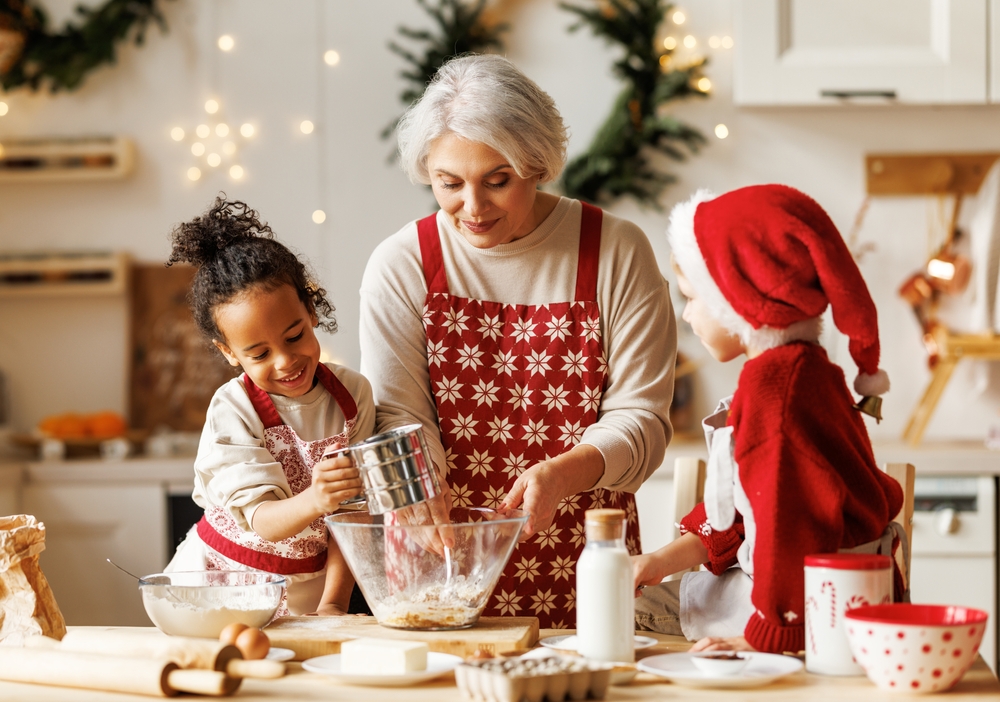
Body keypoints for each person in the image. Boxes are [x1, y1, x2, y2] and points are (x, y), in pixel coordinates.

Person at [359, 54, 677, 628]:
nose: (472, 209)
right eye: (449, 184)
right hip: (438, 560)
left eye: (497, 181)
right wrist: (416, 492)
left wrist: (563, 473)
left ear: (537, 165)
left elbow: (644, 420)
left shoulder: (614, 252)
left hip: (585, 562)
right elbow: (396, 412)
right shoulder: (401, 264)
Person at [632, 184, 906, 654]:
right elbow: (750, 506)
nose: (688, 314)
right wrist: (663, 558)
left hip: (815, 612)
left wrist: (762, 641)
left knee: (630, 611)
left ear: (737, 299)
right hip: (825, 595)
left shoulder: (775, 394)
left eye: (693, 297)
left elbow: (788, 530)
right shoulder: (805, 369)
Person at [165, 196, 374, 616]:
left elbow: (355, 518)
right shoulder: (234, 409)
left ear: (311, 310)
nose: (284, 361)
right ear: (228, 352)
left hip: (307, 589)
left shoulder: (353, 396)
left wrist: (333, 602)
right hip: (218, 586)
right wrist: (317, 498)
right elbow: (263, 520)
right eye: (259, 354)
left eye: (294, 336)